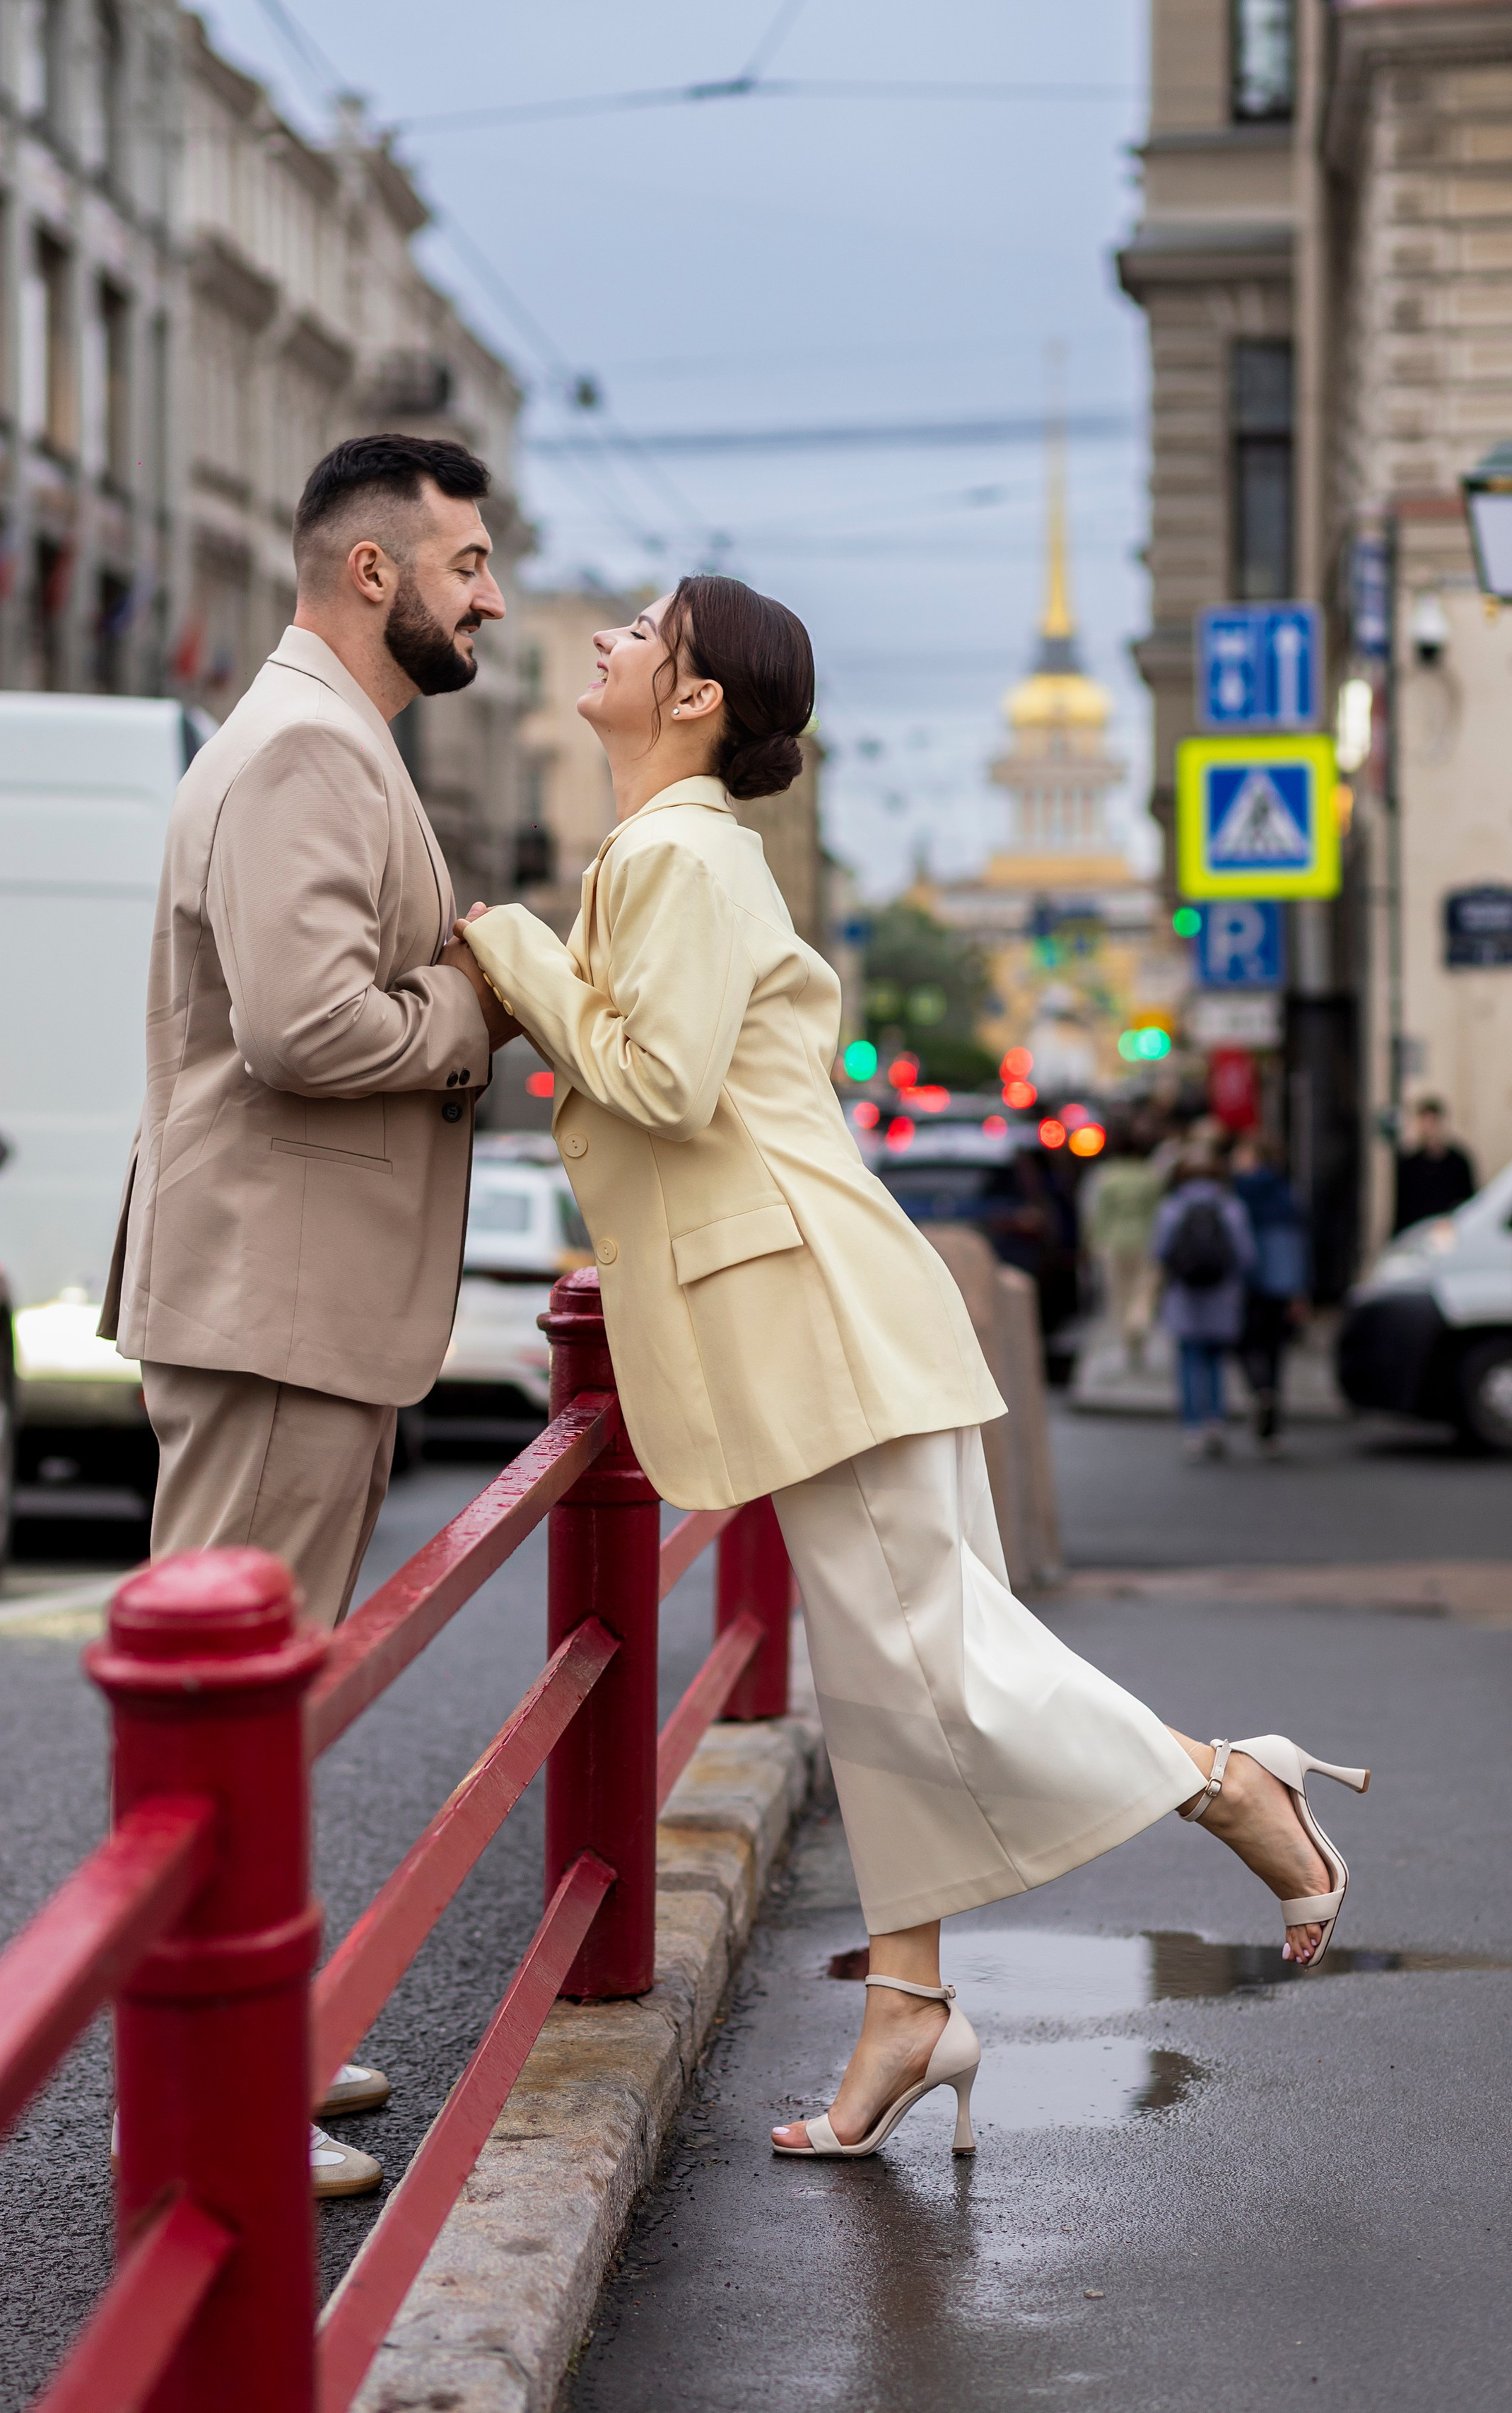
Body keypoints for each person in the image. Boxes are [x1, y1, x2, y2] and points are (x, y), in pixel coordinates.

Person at [446, 576, 1366, 2164]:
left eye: (639, 631)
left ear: (693, 699)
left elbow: (657, 1084)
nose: (598, 639)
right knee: (888, 1685)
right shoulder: (685, 853)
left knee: (931, 1661)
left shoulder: (669, 851)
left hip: (813, 1313)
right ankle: (909, 2007)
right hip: (834, 1304)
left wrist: (507, 950)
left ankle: (1231, 1785)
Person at [100, 433, 520, 2197]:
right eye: (469, 562)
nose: (489, 593)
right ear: (373, 571)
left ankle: (243, 2037)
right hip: (271, 1303)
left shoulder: (321, 737)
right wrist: (479, 1001)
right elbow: (305, 1027)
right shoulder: (299, 749)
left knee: (262, 1707)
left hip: (292, 1297)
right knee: (219, 1725)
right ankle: (190, 2101)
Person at [1149, 1135, 1255, 1463]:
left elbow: (1159, 1251)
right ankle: (1216, 1422)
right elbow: (1246, 1255)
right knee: (1214, 1360)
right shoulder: (1231, 1207)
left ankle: (1193, 1425)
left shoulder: (1172, 1208)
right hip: (1223, 1294)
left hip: (1185, 1295)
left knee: (1189, 1358)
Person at [1230, 1135, 1308, 1454]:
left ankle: (1257, 1389)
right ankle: (1272, 1409)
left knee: (1245, 1344)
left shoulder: (1239, 1191)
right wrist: (1299, 1288)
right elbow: (1297, 1241)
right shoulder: (1285, 1192)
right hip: (1281, 1281)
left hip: (1247, 1280)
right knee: (1276, 1349)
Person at [1079, 1123, 1162, 1374]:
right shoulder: (1151, 1176)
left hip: (1113, 1243)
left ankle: (1129, 1340)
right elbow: (1158, 1212)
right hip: (1147, 1241)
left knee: (1119, 1294)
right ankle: (1139, 1324)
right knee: (1144, 1291)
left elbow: (1097, 1214)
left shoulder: (1106, 1177)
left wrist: (1092, 1243)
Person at [1393, 1095, 1476, 1233]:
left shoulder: (1457, 1162)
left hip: (1449, 1233)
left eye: (1432, 1121)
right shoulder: (1410, 1165)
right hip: (1417, 1233)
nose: (1429, 1127)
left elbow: (1468, 1201)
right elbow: (1402, 1208)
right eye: (1425, 1122)